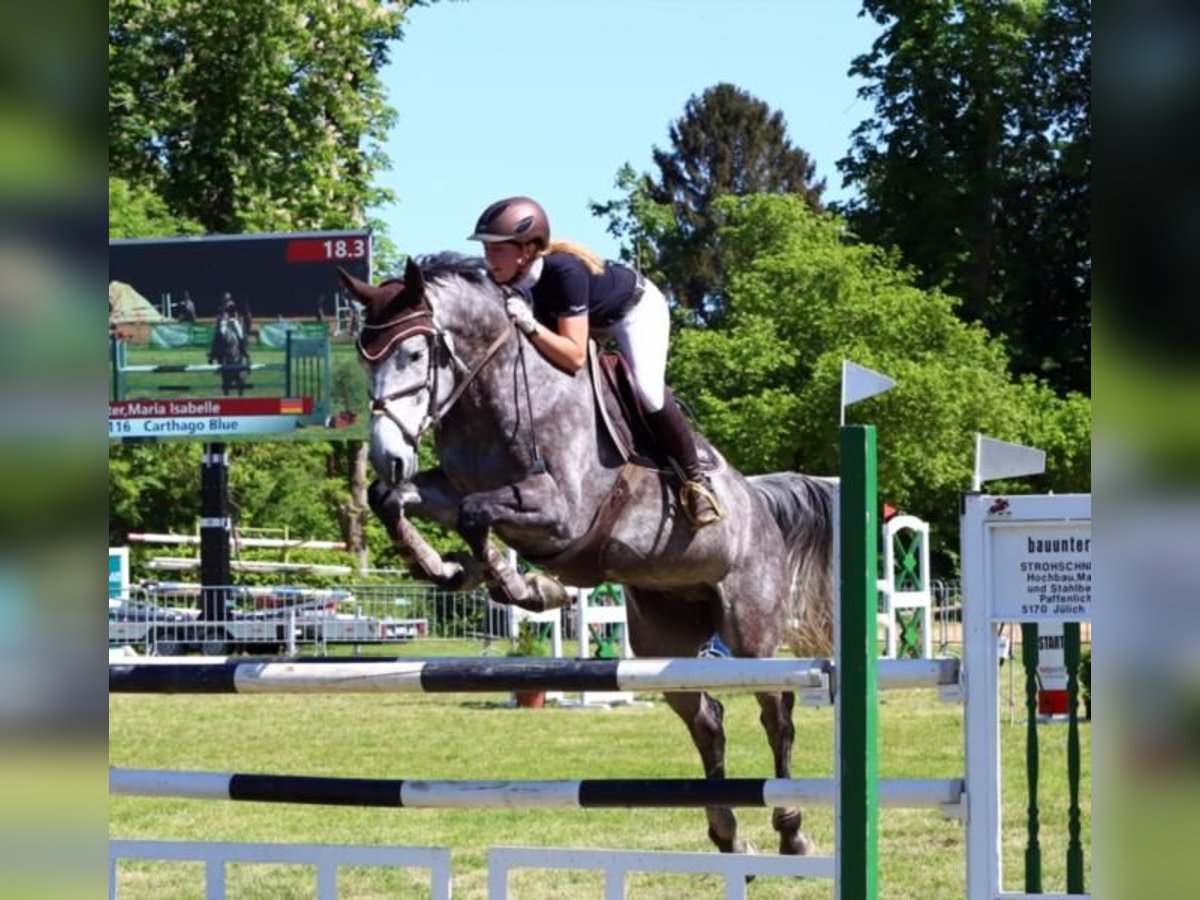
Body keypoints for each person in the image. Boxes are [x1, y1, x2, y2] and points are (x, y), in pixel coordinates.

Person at [467, 196, 725, 529]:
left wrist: (530, 326)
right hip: (584, 319)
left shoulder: (564, 271)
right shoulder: (505, 280)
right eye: (486, 249)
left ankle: (696, 481)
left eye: (498, 249)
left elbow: (574, 355)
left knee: (647, 390)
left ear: (528, 249)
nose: (488, 258)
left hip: (633, 311)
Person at [209, 297, 248, 396]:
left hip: (230, 321)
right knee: (219, 334)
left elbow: (233, 314)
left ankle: (243, 350)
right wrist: (222, 319)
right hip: (226, 322)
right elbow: (222, 316)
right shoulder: (224, 307)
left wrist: (231, 318)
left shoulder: (231, 305)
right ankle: (213, 354)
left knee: (240, 334)